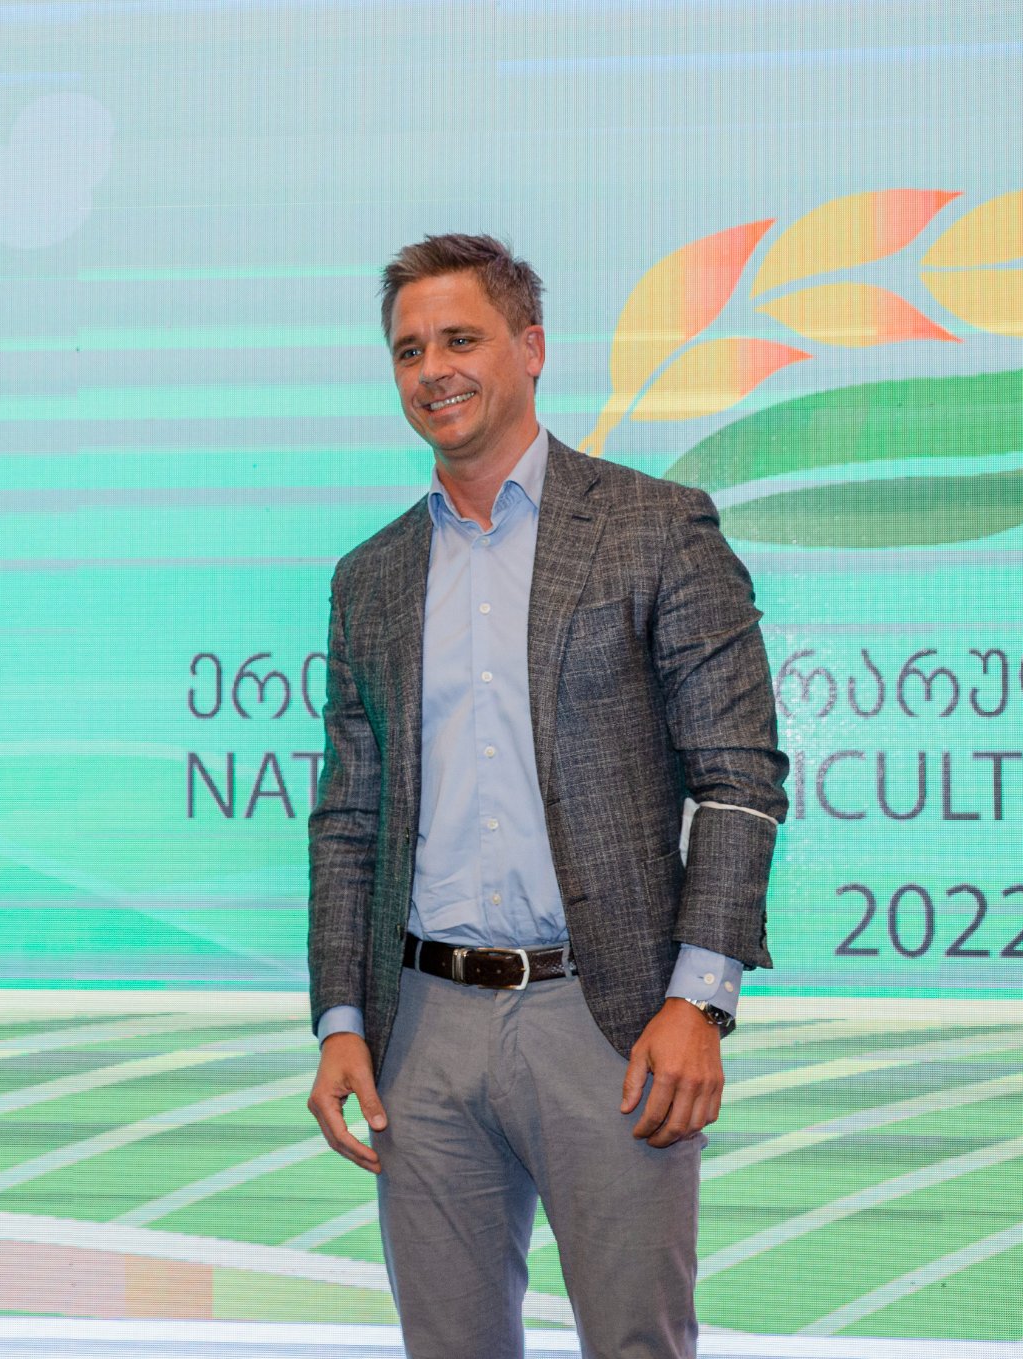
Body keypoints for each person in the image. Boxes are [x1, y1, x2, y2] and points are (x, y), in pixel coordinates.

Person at [305, 235, 788, 1359]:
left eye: (459, 339)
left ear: (529, 347)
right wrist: (341, 1020)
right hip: (419, 1029)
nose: (433, 369)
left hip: (608, 1020)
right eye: (409, 350)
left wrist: (700, 999)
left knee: (633, 1345)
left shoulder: (654, 528)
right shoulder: (368, 578)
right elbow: (348, 821)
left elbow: (738, 779)